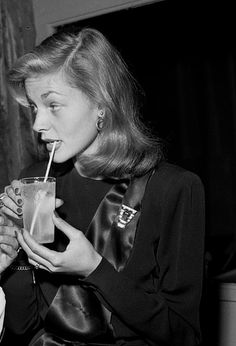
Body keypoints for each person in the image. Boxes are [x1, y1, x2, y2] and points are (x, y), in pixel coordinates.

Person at [0, 27, 205, 346]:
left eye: (52, 105)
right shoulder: (36, 180)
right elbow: (23, 326)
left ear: (102, 104)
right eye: (33, 108)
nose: (38, 124)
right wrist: (15, 256)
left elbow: (183, 334)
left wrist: (96, 269)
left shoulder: (172, 189)